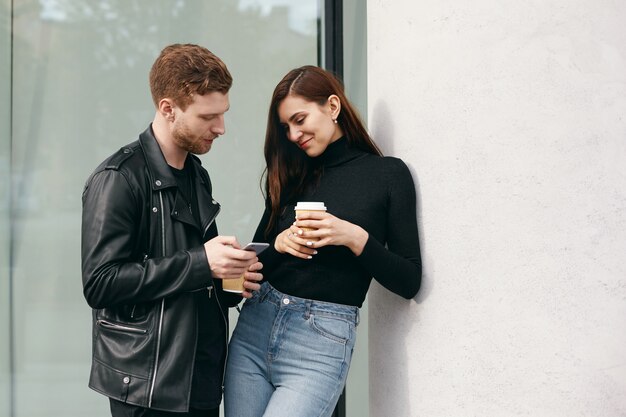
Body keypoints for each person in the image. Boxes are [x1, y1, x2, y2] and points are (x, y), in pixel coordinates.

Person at [224, 65, 422, 417]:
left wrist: (355, 238)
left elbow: (409, 280)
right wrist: (279, 245)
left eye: (300, 119)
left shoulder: (388, 175)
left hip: (321, 341)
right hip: (255, 327)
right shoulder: (291, 176)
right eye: (286, 127)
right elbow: (249, 273)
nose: (294, 134)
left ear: (333, 106)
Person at [81, 43, 263, 417]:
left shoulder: (197, 174)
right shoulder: (118, 178)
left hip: (202, 379)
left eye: (223, 114)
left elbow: (194, 273)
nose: (221, 128)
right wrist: (202, 262)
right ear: (168, 109)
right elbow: (101, 282)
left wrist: (228, 279)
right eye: (208, 116)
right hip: (150, 387)